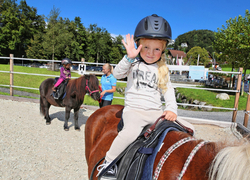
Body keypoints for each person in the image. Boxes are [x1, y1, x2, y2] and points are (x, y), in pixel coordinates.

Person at [96, 14, 194, 180]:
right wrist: (128, 57)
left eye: (156, 49)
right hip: (135, 111)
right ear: (139, 45)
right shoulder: (133, 63)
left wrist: (171, 109)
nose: (150, 53)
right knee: (130, 132)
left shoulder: (162, 68)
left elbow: (168, 90)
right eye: (146, 47)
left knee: (189, 128)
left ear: (162, 50)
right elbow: (118, 75)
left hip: (155, 113)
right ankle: (108, 164)